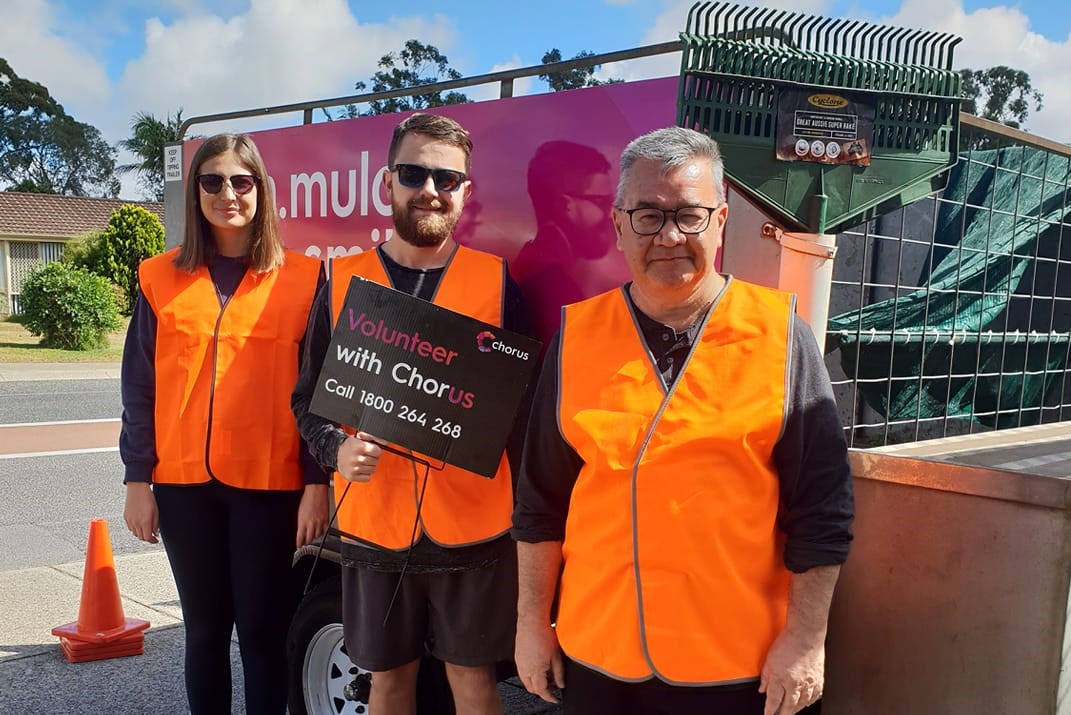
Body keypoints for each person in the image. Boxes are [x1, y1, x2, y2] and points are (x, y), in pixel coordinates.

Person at [511, 126, 855, 715]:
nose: (669, 235)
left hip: (737, 667)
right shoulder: (575, 339)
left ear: (720, 221)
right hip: (600, 659)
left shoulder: (779, 336)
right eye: (647, 214)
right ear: (619, 225)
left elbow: (822, 507)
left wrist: (806, 640)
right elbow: (541, 502)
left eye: (689, 215)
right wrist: (532, 623)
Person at [291, 112, 529, 715]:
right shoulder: (340, 280)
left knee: (473, 684)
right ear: (387, 183)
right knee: (388, 683)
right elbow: (306, 399)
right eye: (414, 173)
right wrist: (333, 452)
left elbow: (524, 416)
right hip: (375, 526)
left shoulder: (498, 283)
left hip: (475, 527)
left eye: (446, 179)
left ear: (465, 193)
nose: (430, 189)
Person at [121, 133, 329, 715]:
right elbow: (140, 389)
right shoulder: (159, 278)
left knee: (264, 635)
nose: (227, 193)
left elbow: (319, 394)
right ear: (196, 192)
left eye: (241, 181)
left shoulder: (306, 280)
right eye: (212, 180)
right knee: (205, 633)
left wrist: (317, 483)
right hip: (184, 486)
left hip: (270, 486)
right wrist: (138, 480)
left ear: (261, 190)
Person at [513, 140, 628, 344]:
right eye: (602, 202)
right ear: (565, 205)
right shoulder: (548, 278)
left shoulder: (534, 264)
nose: (611, 214)